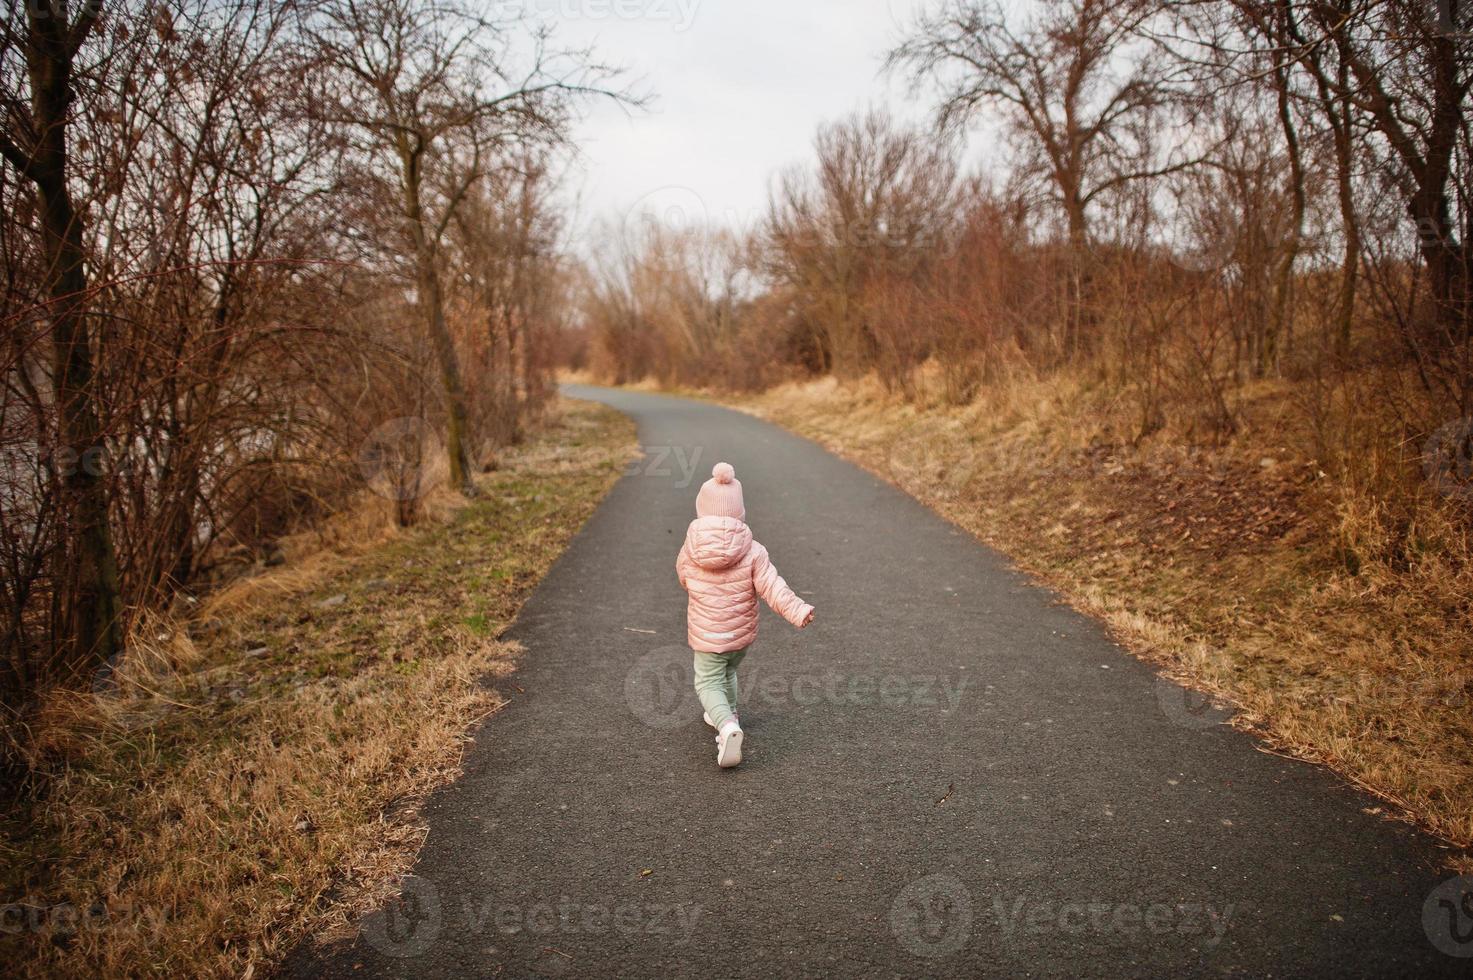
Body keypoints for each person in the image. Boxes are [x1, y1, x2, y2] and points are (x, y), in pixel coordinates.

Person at [675, 462, 815, 768]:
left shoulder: (690, 548)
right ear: (739, 512)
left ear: (702, 510)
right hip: (740, 638)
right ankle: (730, 713)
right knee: (728, 671)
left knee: (708, 682)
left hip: (707, 634)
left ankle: (726, 726)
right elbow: (773, 587)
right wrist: (798, 609)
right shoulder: (753, 550)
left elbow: (683, 578)